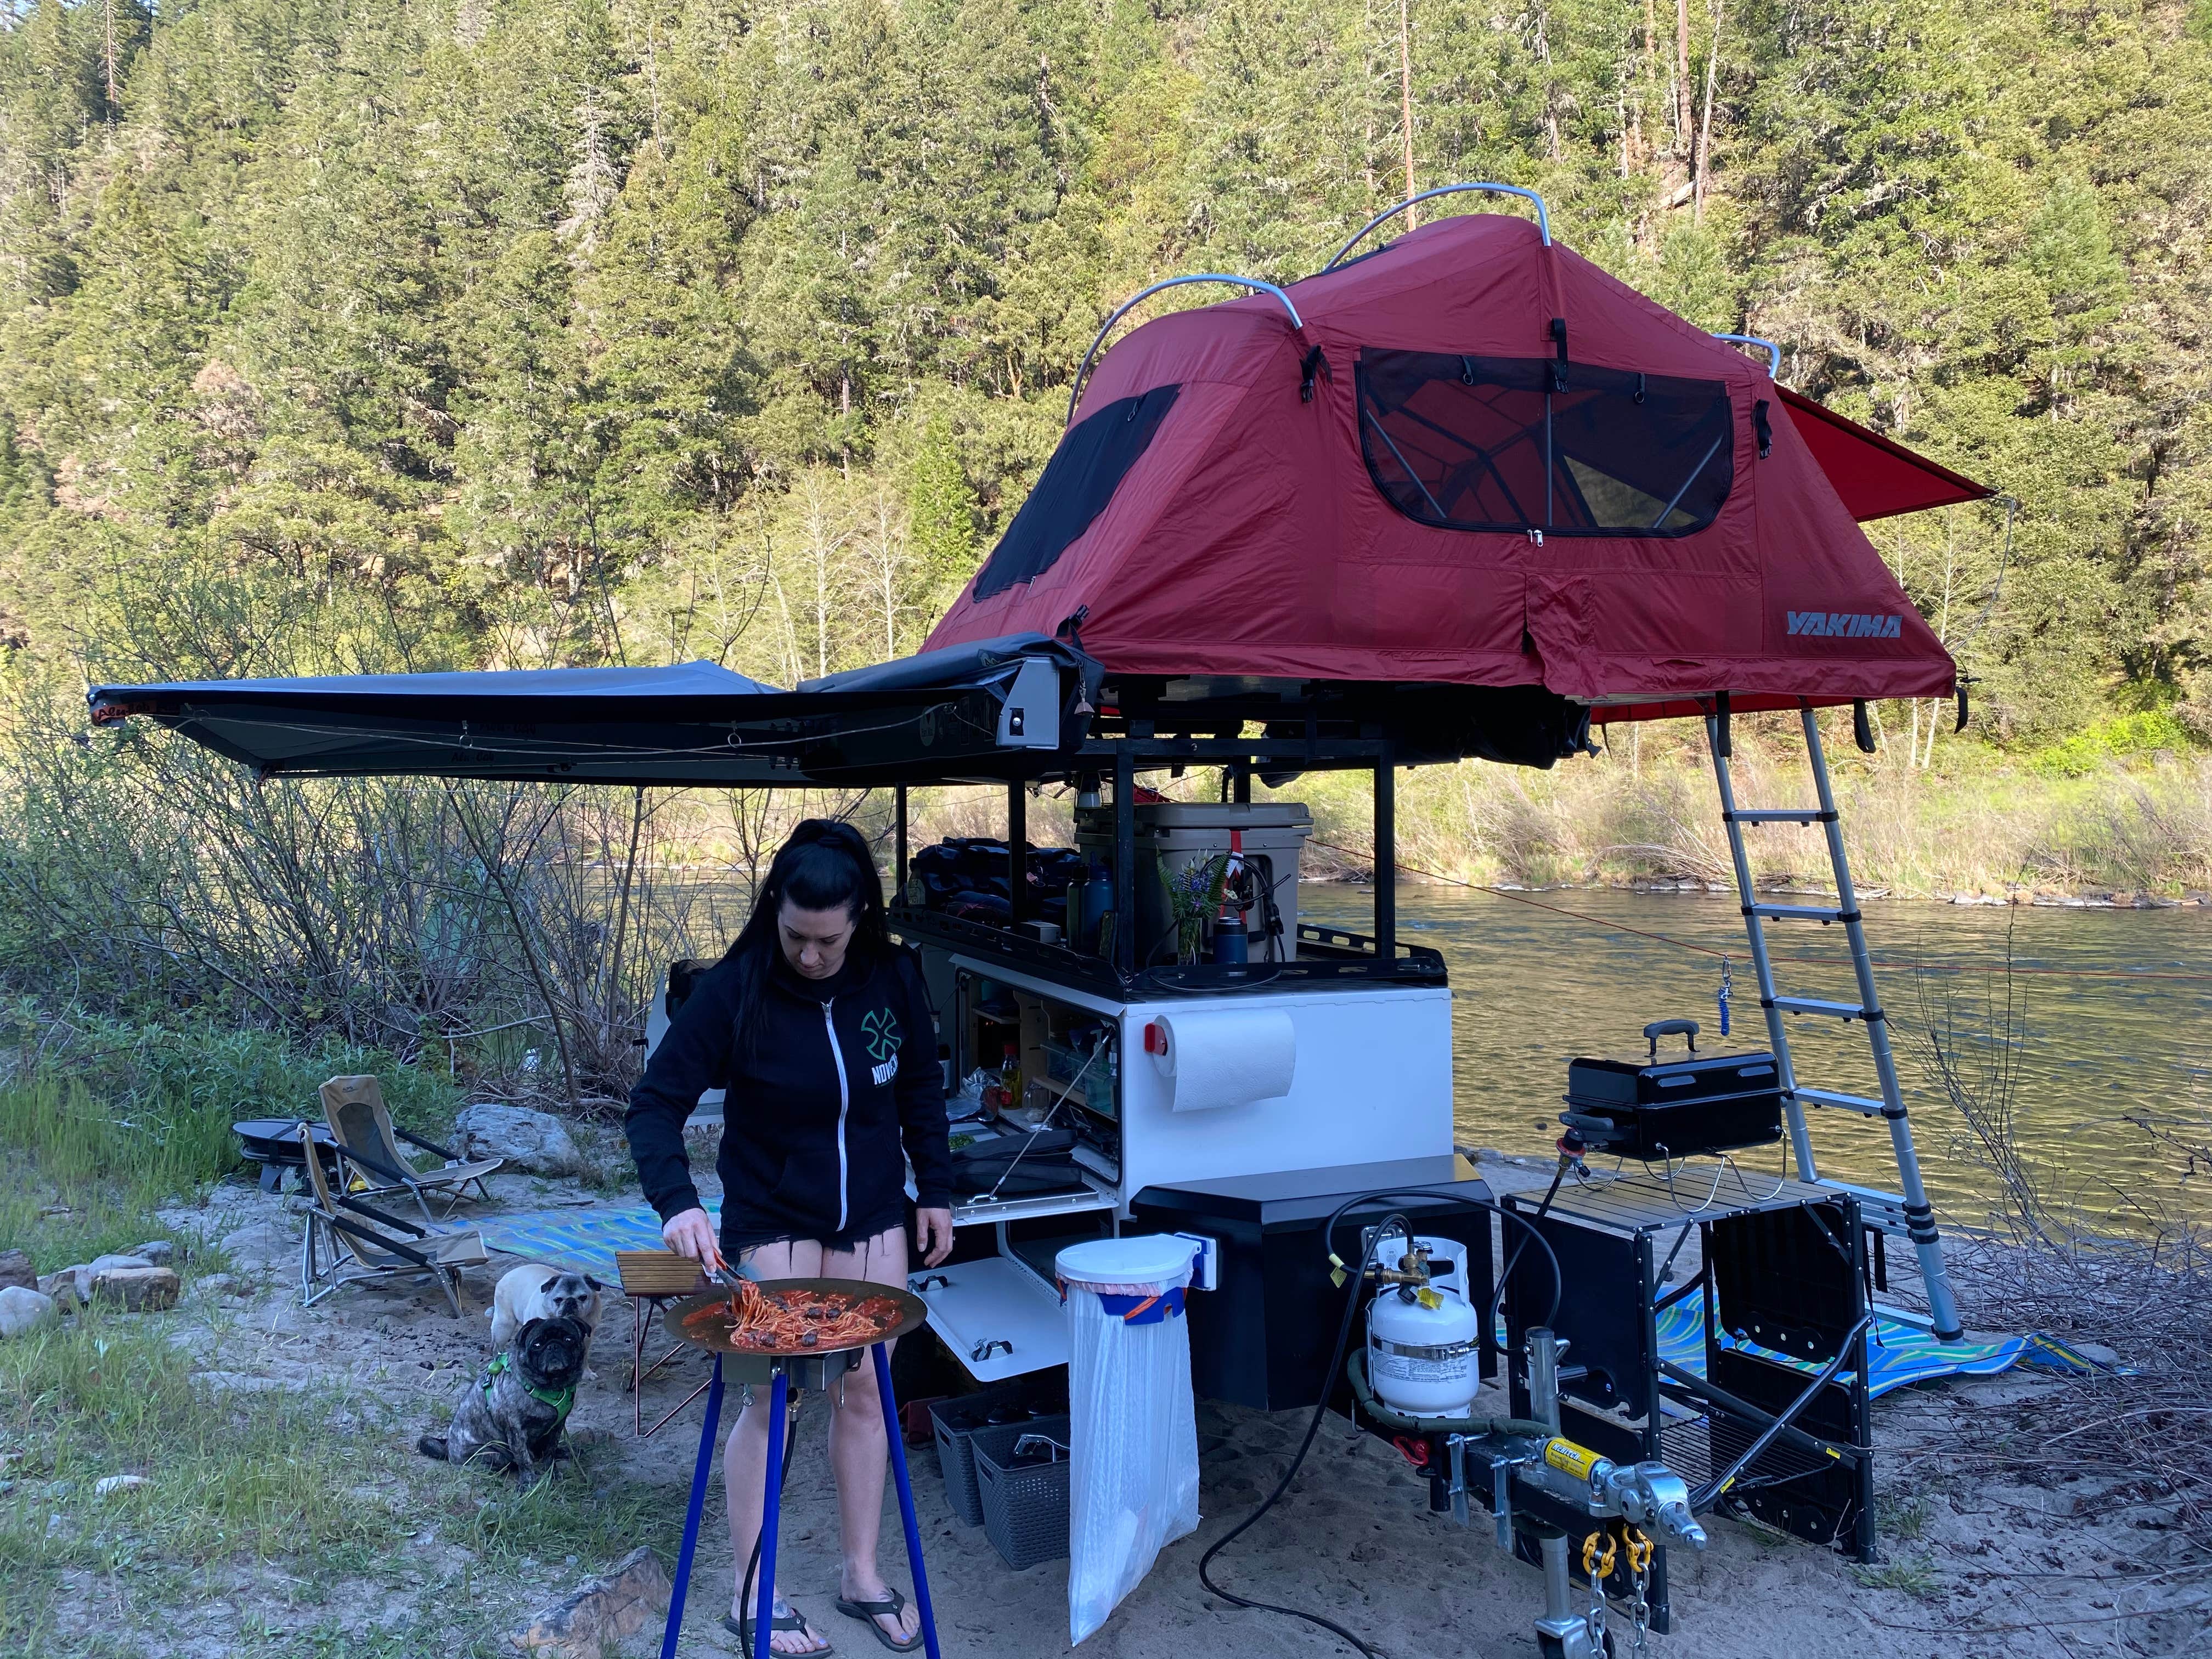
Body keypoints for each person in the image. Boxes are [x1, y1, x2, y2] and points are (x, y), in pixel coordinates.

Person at [628, 819, 953, 1655]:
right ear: (774, 912)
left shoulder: (893, 976)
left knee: (866, 1395)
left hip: (875, 1210)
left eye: (828, 941)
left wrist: (937, 1192)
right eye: (796, 937)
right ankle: (750, 1593)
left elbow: (919, 1085)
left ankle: (861, 1574)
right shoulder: (734, 989)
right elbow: (654, 1104)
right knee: (770, 1398)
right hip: (772, 1212)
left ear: (861, 922)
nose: (810, 956)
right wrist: (678, 1202)